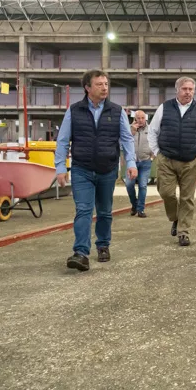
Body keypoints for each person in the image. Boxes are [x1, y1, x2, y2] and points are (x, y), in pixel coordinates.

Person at [55, 69, 137, 272]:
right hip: (82, 169)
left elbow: (126, 139)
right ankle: (81, 253)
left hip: (107, 169)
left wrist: (131, 163)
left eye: (106, 84)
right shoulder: (74, 111)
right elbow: (63, 141)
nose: (104, 88)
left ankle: (103, 245)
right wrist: (60, 168)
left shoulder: (117, 111)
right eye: (99, 84)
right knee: (83, 209)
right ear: (87, 88)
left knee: (104, 211)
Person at [148, 77, 196, 247]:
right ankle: (175, 218)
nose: (188, 92)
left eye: (191, 89)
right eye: (185, 89)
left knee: (187, 198)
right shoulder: (164, 107)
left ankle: (183, 232)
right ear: (177, 90)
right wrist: (157, 153)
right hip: (167, 160)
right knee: (166, 193)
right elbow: (152, 131)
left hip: (190, 162)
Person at [126, 110, 152, 218]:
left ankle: (140, 209)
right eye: (138, 118)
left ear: (145, 118)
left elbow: (155, 141)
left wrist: (152, 155)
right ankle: (134, 204)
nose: (140, 120)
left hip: (145, 161)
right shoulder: (128, 128)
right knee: (129, 185)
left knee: (142, 186)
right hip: (132, 163)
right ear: (135, 119)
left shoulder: (150, 129)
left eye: (142, 118)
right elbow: (124, 142)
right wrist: (132, 131)